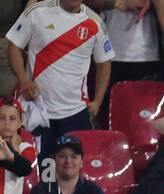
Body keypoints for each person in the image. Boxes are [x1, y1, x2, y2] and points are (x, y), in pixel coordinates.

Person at [5, 0, 114, 157]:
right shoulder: (36, 12)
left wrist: (97, 100)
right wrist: (23, 80)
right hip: (38, 112)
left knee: (72, 173)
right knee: (40, 173)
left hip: (75, 114)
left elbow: (104, 64)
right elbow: (14, 45)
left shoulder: (95, 22)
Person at [0, 97, 34, 194]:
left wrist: (10, 155)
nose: (7, 123)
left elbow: (24, 169)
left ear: (20, 122)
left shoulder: (26, 147)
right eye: (1, 118)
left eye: (12, 118)